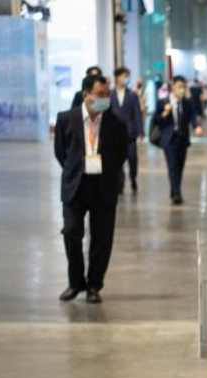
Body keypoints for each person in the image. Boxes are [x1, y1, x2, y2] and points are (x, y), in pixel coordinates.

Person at [54, 74, 129, 303]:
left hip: (103, 186)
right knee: (71, 232)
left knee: (102, 237)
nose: (105, 98)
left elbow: (121, 154)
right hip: (76, 186)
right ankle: (75, 283)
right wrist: (77, 168)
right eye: (100, 95)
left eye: (107, 94)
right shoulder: (66, 119)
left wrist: (106, 170)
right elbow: (61, 152)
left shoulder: (116, 123)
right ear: (86, 95)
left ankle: (94, 285)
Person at [152, 75, 203, 205]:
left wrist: (197, 127)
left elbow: (192, 118)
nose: (182, 89)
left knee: (179, 167)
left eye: (183, 87)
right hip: (169, 140)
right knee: (172, 166)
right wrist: (165, 113)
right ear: (173, 87)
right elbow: (156, 120)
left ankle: (175, 189)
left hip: (182, 139)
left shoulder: (186, 103)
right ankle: (176, 193)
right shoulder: (163, 102)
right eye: (179, 87)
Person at [109, 67, 143, 193]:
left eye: (128, 76)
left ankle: (133, 178)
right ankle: (120, 184)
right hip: (115, 134)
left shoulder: (132, 95)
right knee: (118, 162)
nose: (126, 79)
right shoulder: (110, 95)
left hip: (130, 133)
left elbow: (137, 113)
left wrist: (140, 130)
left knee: (133, 159)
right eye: (124, 76)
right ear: (117, 77)